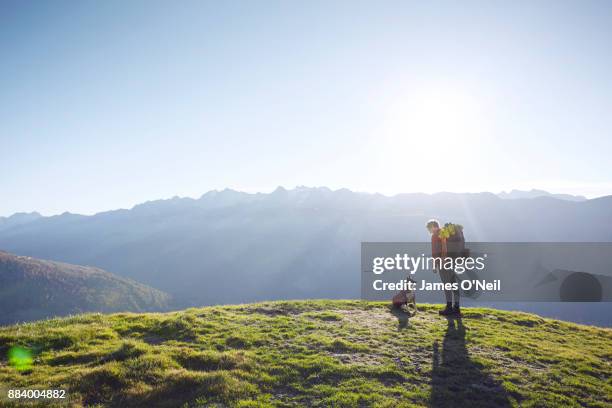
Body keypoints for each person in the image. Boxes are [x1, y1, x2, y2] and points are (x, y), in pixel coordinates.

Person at [426, 219, 461, 316]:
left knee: (447, 285)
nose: (429, 230)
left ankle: (449, 308)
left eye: (429, 228)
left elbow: (442, 246)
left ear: (433, 226)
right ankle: (456, 308)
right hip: (451, 261)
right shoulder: (444, 232)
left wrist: (441, 261)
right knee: (453, 283)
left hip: (444, 262)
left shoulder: (438, 234)